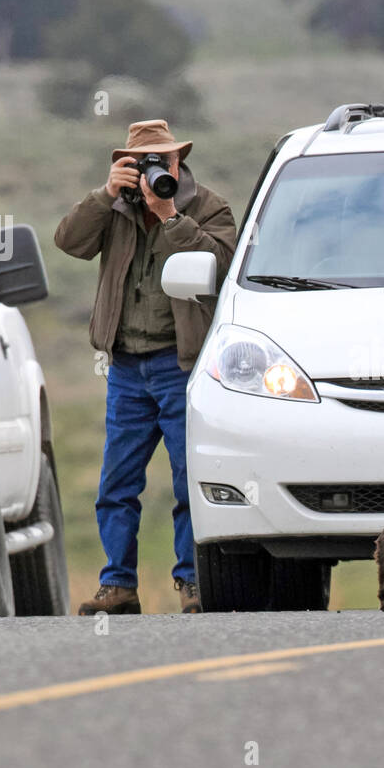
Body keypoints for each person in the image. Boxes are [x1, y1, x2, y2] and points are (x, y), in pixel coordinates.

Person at [55, 120, 237, 615]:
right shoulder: (116, 207)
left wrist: (171, 215)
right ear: (128, 165)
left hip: (182, 365)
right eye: (144, 162)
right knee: (117, 483)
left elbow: (222, 266)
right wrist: (103, 195)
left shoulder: (209, 206)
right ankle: (118, 586)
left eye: (165, 160)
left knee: (187, 480)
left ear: (180, 161)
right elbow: (68, 241)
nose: (157, 169)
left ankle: (193, 583)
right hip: (126, 368)